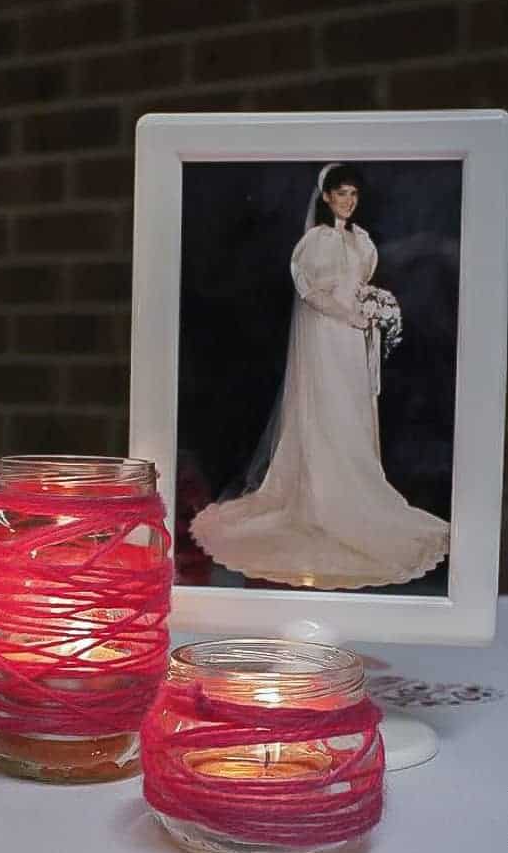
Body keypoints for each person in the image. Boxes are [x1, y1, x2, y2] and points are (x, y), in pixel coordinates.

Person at [190, 163, 450, 590]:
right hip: (326, 337)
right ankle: (324, 499)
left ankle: (357, 493)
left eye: (352, 195)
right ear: (326, 197)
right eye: (340, 194)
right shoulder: (316, 242)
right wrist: (348, 312)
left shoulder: (360, 241)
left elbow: (359, 283)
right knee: (327, 410)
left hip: (351, 341)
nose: (347, 201)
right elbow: (311, 291)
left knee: (353, 411)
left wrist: (371, 308)